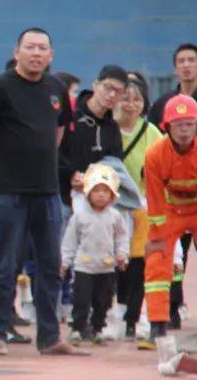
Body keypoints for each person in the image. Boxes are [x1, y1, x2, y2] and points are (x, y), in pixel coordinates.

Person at [0, 28, 83, 356]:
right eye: (30, 47)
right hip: (10, 192)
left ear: (51, 55)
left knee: (50, 264)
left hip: (48, 191)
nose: (36, 53)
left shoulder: (56, 89)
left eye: (42, 48)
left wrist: (42, 160)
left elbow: (59, 130)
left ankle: (49, 337)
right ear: (17, 51)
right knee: (6, 262)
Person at [143, 94, 197, 345]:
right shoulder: (155, 153)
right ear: (167, 127)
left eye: (189, 123)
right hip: (170, 209)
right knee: (156, 263)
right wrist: (157, 234)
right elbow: (154, 197)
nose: (184, 130)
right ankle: (157, 325)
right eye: (178, 125)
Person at [115, 73, 163, 343]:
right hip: (113, 206)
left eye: (137, 99)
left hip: (143, 206)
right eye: (125, 98)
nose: (131, 104)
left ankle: (132, 316)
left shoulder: (151, 132)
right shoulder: (109, 129)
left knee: (137, 263)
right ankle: (110, 312)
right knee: (110, 262)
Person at [61, 163, 129, 345]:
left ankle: (97, 328)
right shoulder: (80, 216)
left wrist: (122, 255)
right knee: (81, 299)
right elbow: (70, 241)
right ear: (88, 193)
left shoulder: (115, 217)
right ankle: (77, 327)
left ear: (112, 195)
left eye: (105, 191)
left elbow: (122, 237)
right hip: (84, 266)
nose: (100, 195)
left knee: (103, 301)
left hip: (106, 267)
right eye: (96, 190)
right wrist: (65, 262)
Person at [58, 65, 126, 210]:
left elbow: (114, 164)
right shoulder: (70, 114)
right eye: (108, 87)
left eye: (118, 91)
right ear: (95, 85)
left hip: (94, 205)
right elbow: (53, 148)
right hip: (61, 197)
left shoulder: (113, 129)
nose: (112, 94)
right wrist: (70, 174)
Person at [148, 43, 197, 127]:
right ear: (175, 69)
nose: (186, 65)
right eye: (181, 61)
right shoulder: (162, 104)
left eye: (191, 60)